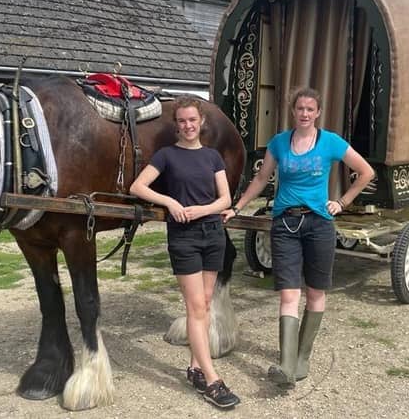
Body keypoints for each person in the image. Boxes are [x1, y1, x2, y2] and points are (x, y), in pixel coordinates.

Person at [223, 86, 375, 388]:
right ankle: (286, 364)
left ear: (317, 113)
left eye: (310, 109)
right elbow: (261, 178)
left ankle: (302, 359)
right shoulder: (279, 143)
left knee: (316, 293)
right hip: (285, 225)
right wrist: (237, 206)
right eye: (299, 109)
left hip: (319, 224)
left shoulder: (330, 142)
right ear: (293, 111)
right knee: (289, 294)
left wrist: (342, 202)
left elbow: (366, 172)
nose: (304, 113)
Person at [130, 96, 241, 409]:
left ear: (201, 121)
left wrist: (199, 210)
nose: (188, 126)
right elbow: (138, 187)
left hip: (212, 234)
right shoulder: (166, 156)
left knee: (205, 303)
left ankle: (195, 366)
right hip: (184, 238)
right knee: (195, 307)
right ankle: (211, 379)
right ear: (176, 124)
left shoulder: (212, 157)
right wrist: (171, 203)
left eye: (192, 120)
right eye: (182, 121)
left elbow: (225, 200)